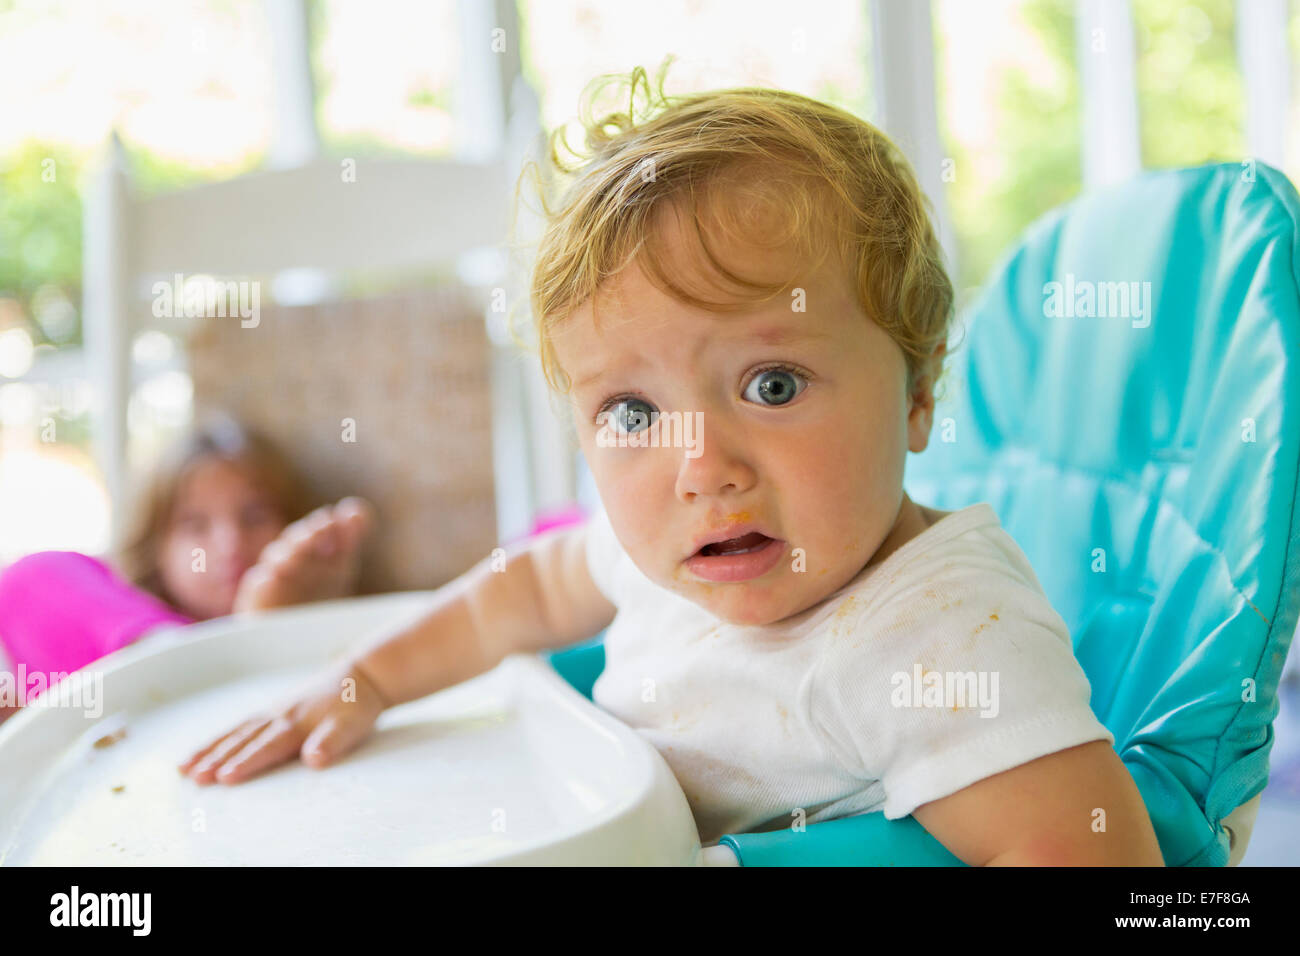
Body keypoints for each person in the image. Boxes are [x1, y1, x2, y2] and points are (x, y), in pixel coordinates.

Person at [179, 68, 1163, 865]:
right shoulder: (680, 546)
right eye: (632, 410)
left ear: (915, 393)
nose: (701, 466)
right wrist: (365, 683)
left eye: (772, 384)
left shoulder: (935, 637)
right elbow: (509, 597)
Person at [0, 414, 371, 718]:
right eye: (195, 525)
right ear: (156, 548)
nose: (231, 546)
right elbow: (25, 583)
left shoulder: (341, 661)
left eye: (255, 516)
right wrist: (252, 638)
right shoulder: (77, 583)